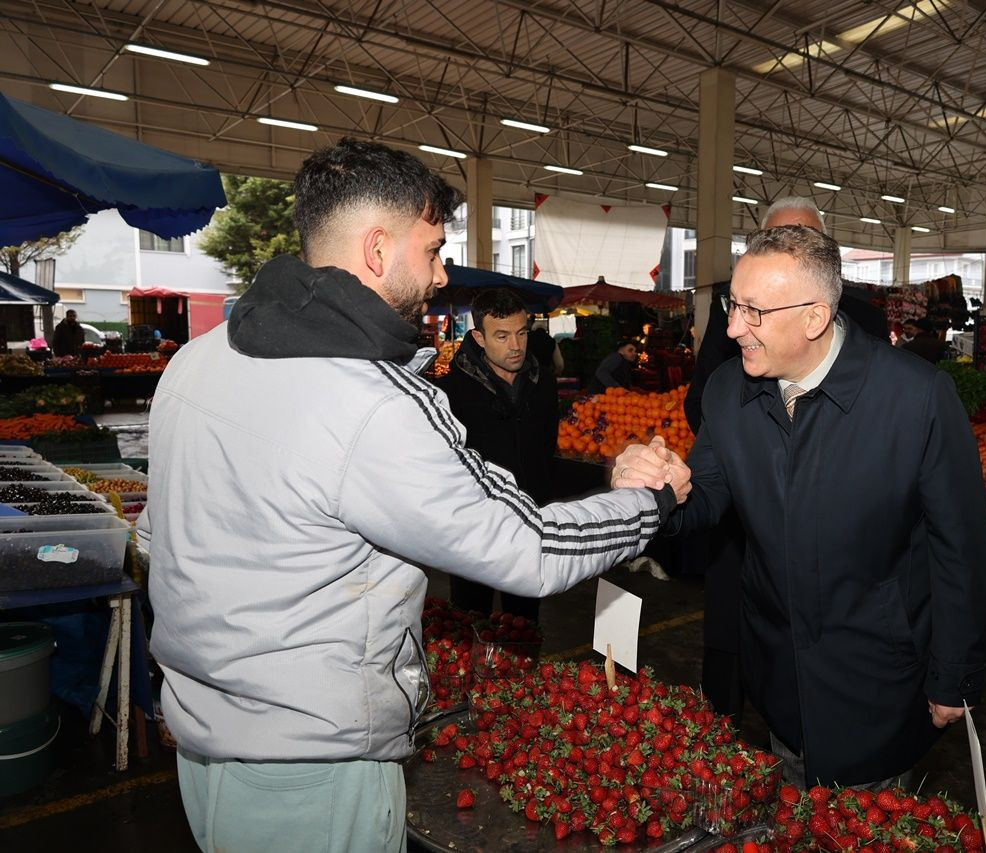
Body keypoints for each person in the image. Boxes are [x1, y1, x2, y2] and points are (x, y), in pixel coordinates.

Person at [141, 138, 689, 853]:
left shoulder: (197, 360)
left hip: (203, 748)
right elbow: (526, 549)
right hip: (311, 774)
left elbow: (156, 536)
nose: (439, 274)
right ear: (376, 249)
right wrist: (644, 503)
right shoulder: (369, 400)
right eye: (431, 250)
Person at [635, 225, 986, 788]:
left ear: (814, 317)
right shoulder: (730, 390)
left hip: (877, 675)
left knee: (861, 822)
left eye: (754, 311)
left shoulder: (916, 398)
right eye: (733, 305)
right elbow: (703, 496)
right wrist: (657, 486)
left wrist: (956, 675)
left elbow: (960, 549)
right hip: (778, 673)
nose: (732, 328)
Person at [681, 197, 892, 723]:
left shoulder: (873, 335)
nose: (738, 325)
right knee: (741, 661)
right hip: (747, 523)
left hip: (855, 612)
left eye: (803, 239)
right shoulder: (735, 330)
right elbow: (706, 398)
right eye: (775, 239)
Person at [434, 287, 558, 623]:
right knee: (470, 621)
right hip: (474, 528)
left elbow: (549, 449)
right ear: (479, 337)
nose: (515, 346)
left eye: (521, 333)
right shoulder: (452, 392)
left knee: (524, 624)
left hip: (529, 524)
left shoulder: (543, 382)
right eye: (501, 336)